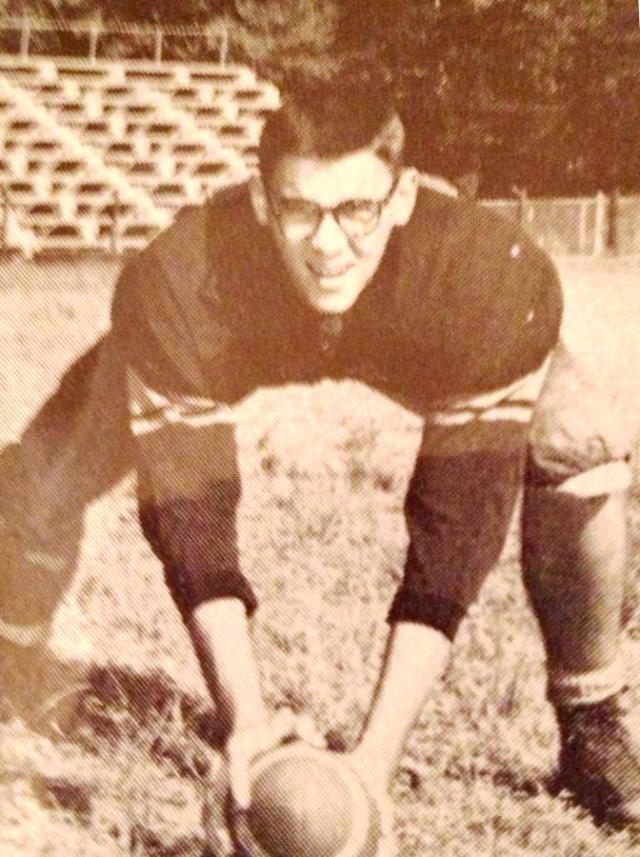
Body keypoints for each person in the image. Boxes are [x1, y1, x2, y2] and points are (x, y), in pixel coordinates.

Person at [1, 74, 638, 852]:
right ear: (261, 200)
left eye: (356, 209)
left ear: (402, 198)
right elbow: (193, 517)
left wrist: (375, 759)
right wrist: (246, 720)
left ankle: (591, 713)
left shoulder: (481, 270)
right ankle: (11, 657)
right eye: (300, 209)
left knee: (582, 437)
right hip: (246, 336)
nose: (329, 245)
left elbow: (456, 528)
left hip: (409, 335)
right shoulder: (182, 274)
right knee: (38, 477)